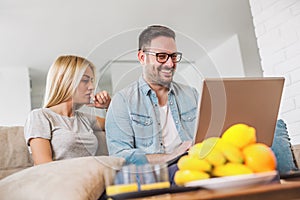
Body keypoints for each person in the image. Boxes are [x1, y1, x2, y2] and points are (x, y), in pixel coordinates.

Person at [105, 25, 199, 165]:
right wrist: (172, 156)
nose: (170, 64)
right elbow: (119, 155)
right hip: (156, 174)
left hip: (197, 166)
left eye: (173, 56)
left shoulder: (192, 94)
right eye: (161, 56)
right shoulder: (122, 101)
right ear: (142, 58)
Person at [24, 55, 111, 165]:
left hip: (91, 176)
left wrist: (109, 106)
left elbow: (119, 126)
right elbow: (43, 165)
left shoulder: (85, 119)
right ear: (63, 81)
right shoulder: (40, 116)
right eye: (85, 80)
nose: (91, 87)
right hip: (61, 179)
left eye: (92, 81)